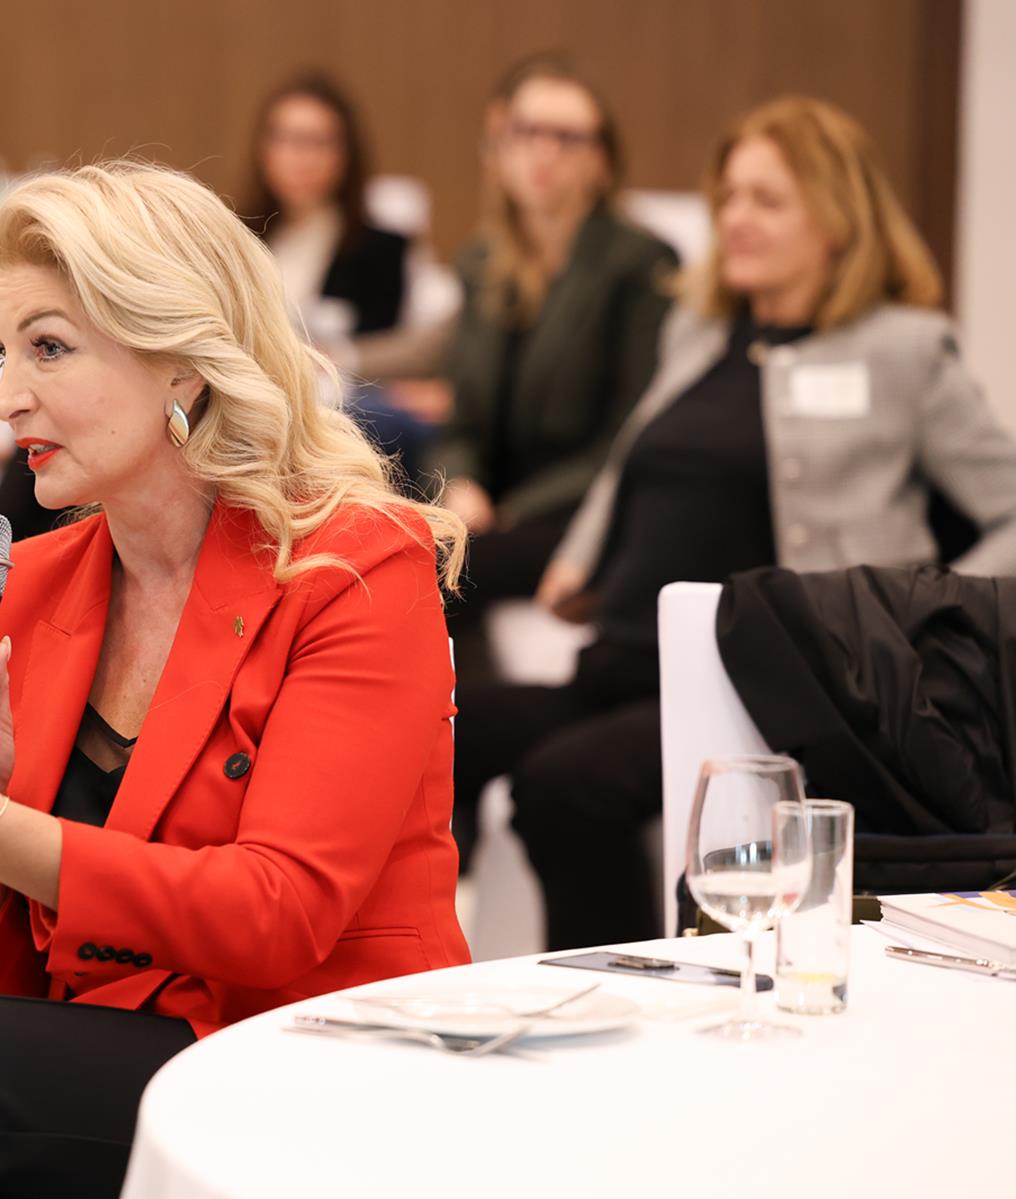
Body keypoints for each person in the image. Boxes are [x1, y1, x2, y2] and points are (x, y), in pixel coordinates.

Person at [0, 161, 470, 1197]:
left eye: (49, 348)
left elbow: (278, 912)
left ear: (182, 365)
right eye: (3, 351)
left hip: (316, 1056)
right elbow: (4, 983)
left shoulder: (352, 566)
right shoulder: (34, 585)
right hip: (133, 1059)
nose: (4, 398)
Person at [454, 96, 1016, 951]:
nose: (735, 219)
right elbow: (633, 456)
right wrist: (578, 555)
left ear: (837, 219)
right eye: (729, 198)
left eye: (767, 199)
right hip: (622, 660)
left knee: (564, 786)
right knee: (435, 731)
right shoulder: (700, 330)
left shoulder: (904, 349)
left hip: (752, 685)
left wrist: (912, 614)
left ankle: (635, 994)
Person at [429, 56, 677, 635]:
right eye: (527, 132)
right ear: (500, 146)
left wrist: (513, 512)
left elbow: (630, 435)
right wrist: (460, 485)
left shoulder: (639, 265)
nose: (543, 152)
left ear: (601, 160)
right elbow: (459, 422)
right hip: (486, 508)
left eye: (568, 137)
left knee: (431, 568)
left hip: (580, 511)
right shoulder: (482, 262)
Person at [243, 74, 412, 340]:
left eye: (319, 142)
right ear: (263, 149)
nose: (303, 158)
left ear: (346, 155)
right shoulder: (237, 234)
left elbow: (385, 349)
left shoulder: (381, 250)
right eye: (287, 139)